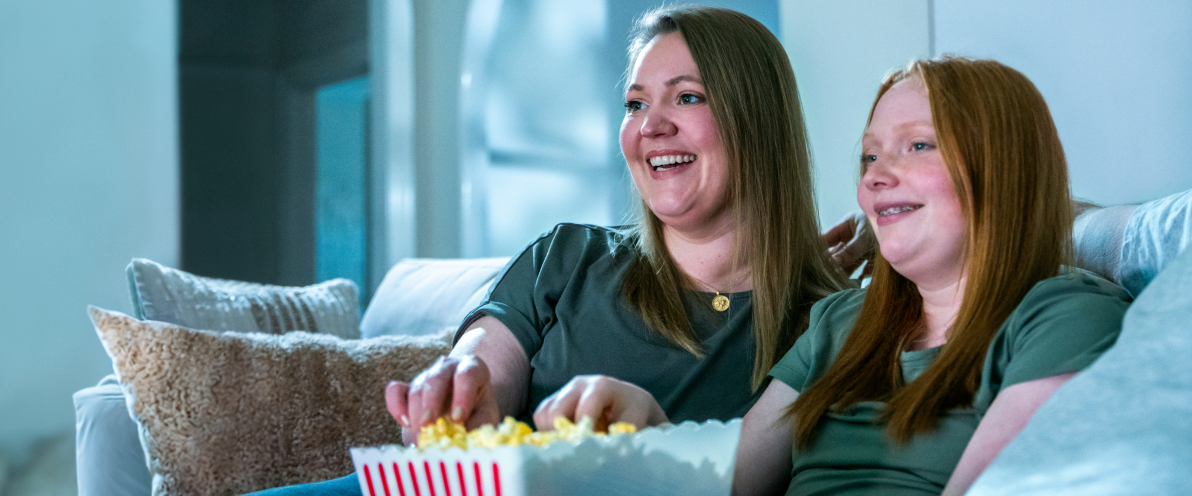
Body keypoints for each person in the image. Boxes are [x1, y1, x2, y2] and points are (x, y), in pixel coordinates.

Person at [242, 6, 849, 495]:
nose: (650, 126)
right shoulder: (568, 256)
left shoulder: (827, 322)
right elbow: (483, 363)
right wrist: (459, 389)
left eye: (687, 97)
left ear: (759, 121)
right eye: (636, 104)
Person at [730, 57, 1132, 496]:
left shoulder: (1067, 317)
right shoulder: (837, 320)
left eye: (918, 145)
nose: (875, 178)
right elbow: (722, 486)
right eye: (870, 155)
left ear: (1003, 167)